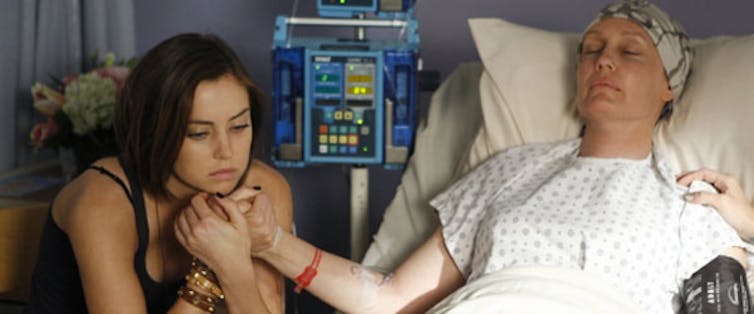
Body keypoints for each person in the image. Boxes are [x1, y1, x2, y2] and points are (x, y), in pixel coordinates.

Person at [176, 1, 754, 313]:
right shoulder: (508, 171)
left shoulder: (694, 200)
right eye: (592, 50)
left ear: (669, 87)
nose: (603, 61)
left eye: (630, 52)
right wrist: (272, 241)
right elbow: (388, 299)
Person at [24, 33, 293, 313]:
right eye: (199, 133)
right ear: (155, 132)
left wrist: (233, 266)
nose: (226, 151)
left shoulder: (264, 188)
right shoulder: (101, 202)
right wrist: (212, 271)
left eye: (239, 127)